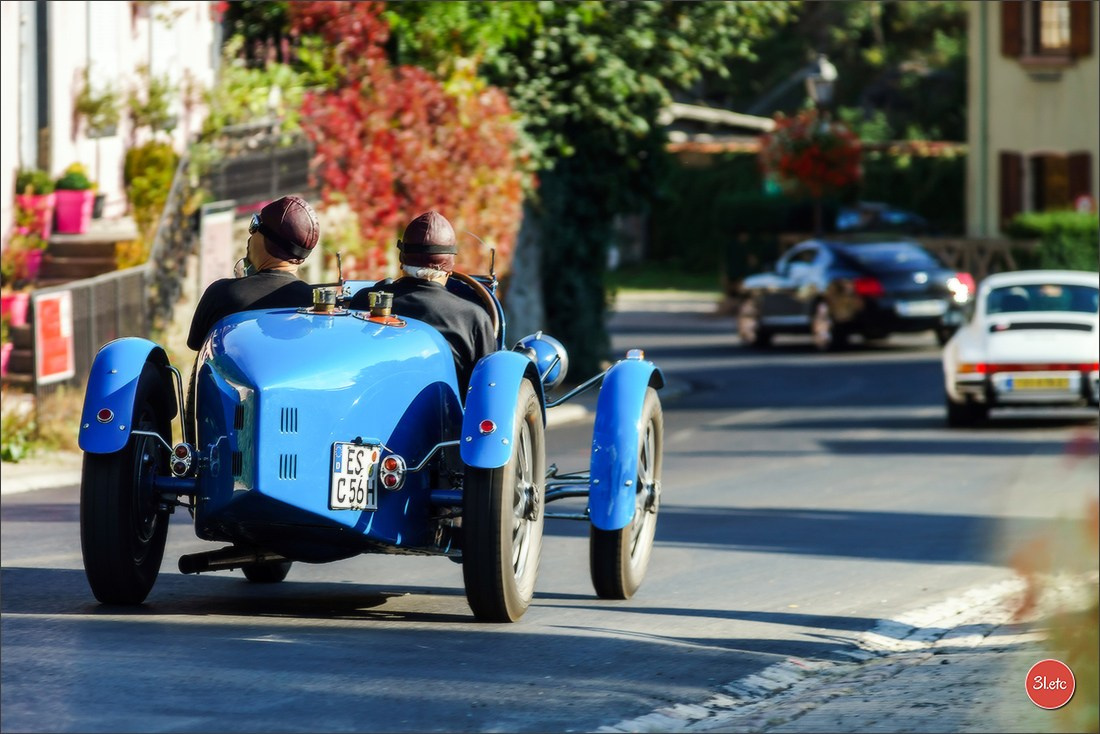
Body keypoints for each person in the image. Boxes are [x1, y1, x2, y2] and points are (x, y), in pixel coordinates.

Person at [349, 210, 496, 395]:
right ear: (449, 268)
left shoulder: (364, 300)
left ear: (402, 260)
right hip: (444, 420)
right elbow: (487, 387)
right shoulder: (473, 317)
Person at [187, 195, 320, 351]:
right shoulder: (318, 306)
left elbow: (196, 347)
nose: (250, 236)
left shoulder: (221, 294)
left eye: (255, 225)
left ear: (267, 238)